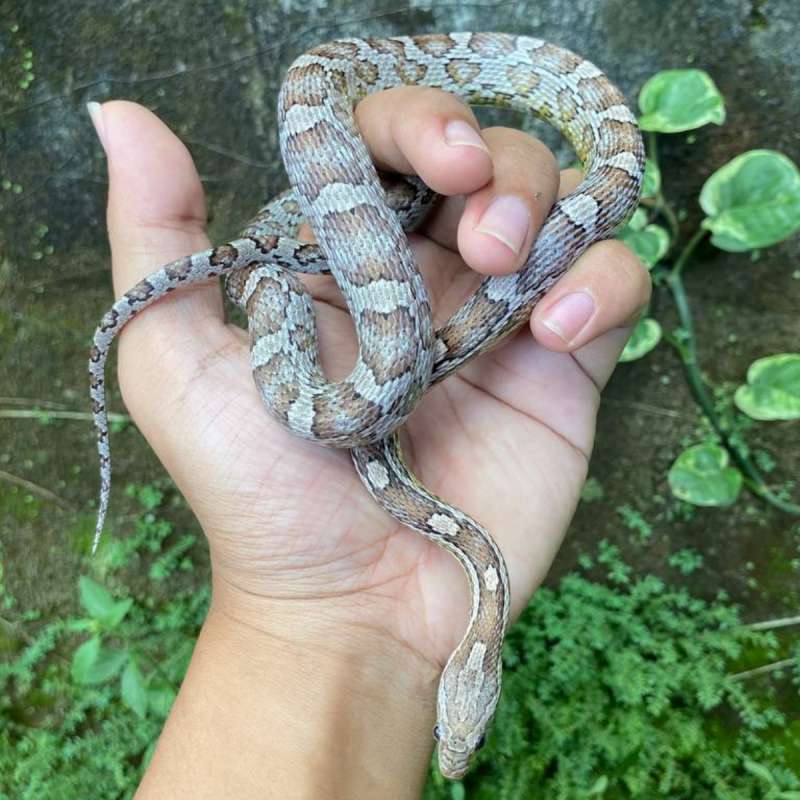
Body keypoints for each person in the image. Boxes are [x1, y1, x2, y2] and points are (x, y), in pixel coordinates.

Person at [86, 87, 650, 798]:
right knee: (444, 189)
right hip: (372, 302)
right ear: (471, 677)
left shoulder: (455, 548)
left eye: (453, 735)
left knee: (434, 201)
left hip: (366, 325)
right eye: (457, 732)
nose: (452, 749)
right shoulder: (457, 552)